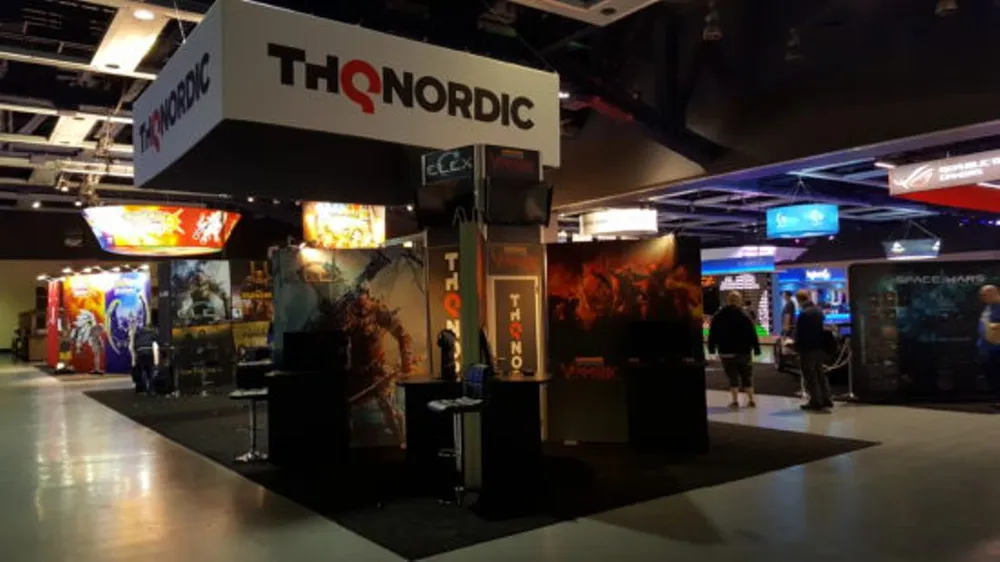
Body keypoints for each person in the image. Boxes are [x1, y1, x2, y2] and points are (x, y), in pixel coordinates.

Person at [708, 291, 762, 409]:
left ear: (728, 300)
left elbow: (712, 333)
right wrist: (756, 348)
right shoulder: (744, 315)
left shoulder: (719, 315)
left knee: (732, 377)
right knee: (746, 376)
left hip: (726, 351)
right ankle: (751, 400)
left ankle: (735, 401)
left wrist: (711, 348)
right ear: (739, 301)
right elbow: (752, 333)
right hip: (743, 351)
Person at [795, 289, 832, 411]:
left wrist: (795, 346)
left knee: (810, 375)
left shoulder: (803, 314)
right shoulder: (818, 311)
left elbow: (800, 334)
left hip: (807, 348)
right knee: (820, 373)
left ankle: (816, 400)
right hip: (820, 347)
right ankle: (826, 398)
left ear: (799, 300)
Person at [977, 285, 1000, 406]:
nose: (985, 297)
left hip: (997, 348)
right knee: (992, 375)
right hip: (987, 348)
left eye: (988, 294)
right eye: (983, 295)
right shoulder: (988, 307)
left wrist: (996, 326)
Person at [129, 324, 160, 396]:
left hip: (140, 352)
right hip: (149, 352)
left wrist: (136, 353)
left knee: (142, 370)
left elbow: (134, 345)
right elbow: (158, 340)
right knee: (150, 371)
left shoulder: (138, 333)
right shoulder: (152, 333)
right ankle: (151, 389)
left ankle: (143, 388)